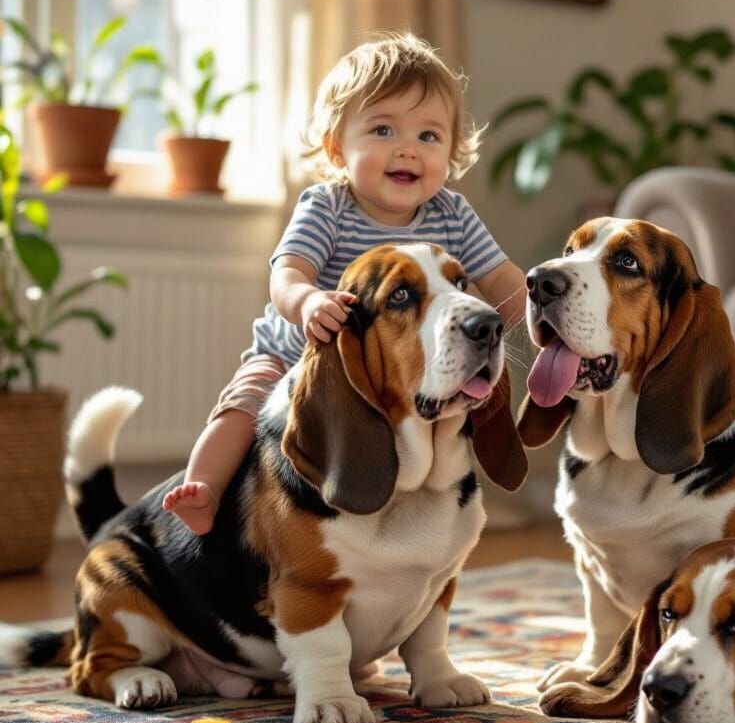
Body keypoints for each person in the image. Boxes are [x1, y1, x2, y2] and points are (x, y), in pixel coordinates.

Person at [163, 32, 527, 534]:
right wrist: (309, 302)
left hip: (393, 373)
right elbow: (287, 274)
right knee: (243, 408)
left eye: (429, 136)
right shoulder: (327, 207)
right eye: (383, 130)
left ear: (451, 151)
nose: (408, 150)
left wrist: (544, 321)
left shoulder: (453, 215)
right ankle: (203, 489)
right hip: (296, 358)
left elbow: (503, 280)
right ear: (337, 149)